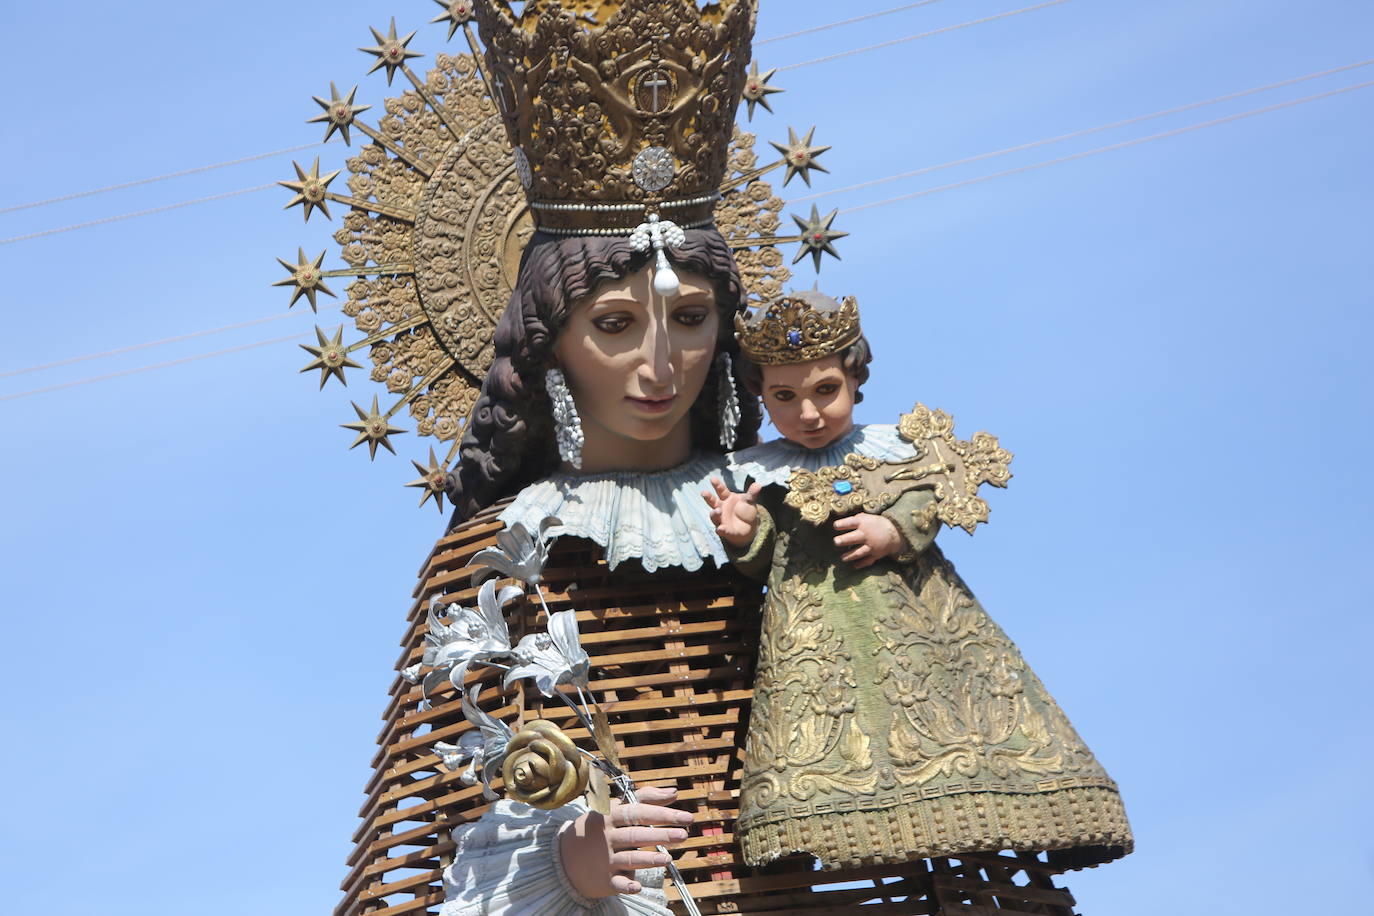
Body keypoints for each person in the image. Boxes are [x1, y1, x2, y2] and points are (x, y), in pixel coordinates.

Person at [703, 291, 1132, 871]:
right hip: (812, 633)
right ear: (761, 394)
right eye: (785, 396)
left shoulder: (896, 451)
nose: (808, 413)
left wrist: (893, 531)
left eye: (824, 390)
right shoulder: (762, 471)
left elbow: (929, 500)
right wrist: (744, 533)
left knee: (951, 717)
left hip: (913, 617)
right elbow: (766, 556)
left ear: (854, 379)